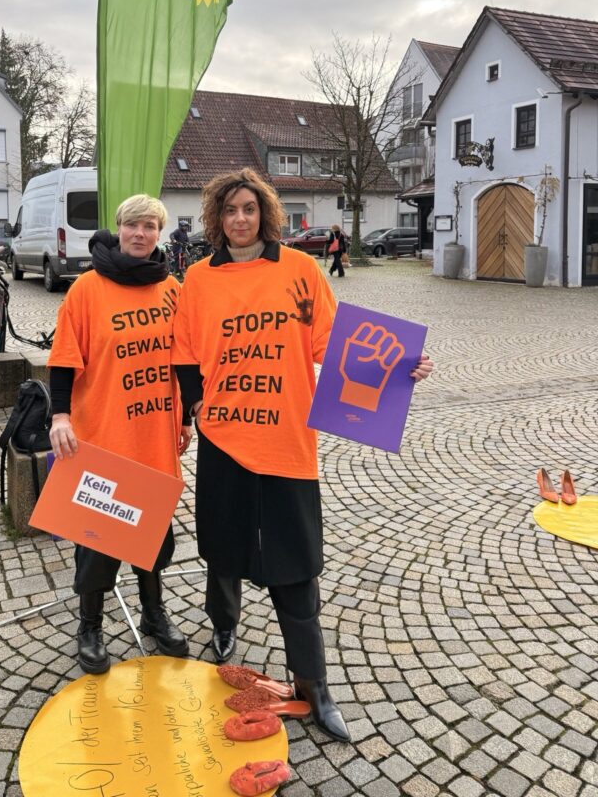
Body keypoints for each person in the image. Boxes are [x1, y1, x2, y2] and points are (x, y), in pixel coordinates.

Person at [172, 168, 432, 742]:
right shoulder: (196, 280)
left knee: (296, 569)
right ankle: (224, 627)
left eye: (250, 209)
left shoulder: (300, 271)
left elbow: (336, 348)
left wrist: (395, 370)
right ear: (217, 218)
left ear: (266, 213)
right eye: (231, 210)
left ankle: (313, 684)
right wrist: (194, 407)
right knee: (222, 550)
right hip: (223, 439)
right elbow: (184, 355)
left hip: (287, 441)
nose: (241, 219)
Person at [47, 194, 193, 674]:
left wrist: (187, 419)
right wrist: (60, 416)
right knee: (98, 539)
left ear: (159, 234)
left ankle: (154, 615)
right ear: (118, 227)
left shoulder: (171, 288)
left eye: (150, 226)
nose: (140, 233)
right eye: (133, 224)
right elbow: (65, 359)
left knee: (152, 537)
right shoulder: (88, 289)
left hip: (154, 435)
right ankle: (90, 626)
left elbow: (185, 359)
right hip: (104, 434)